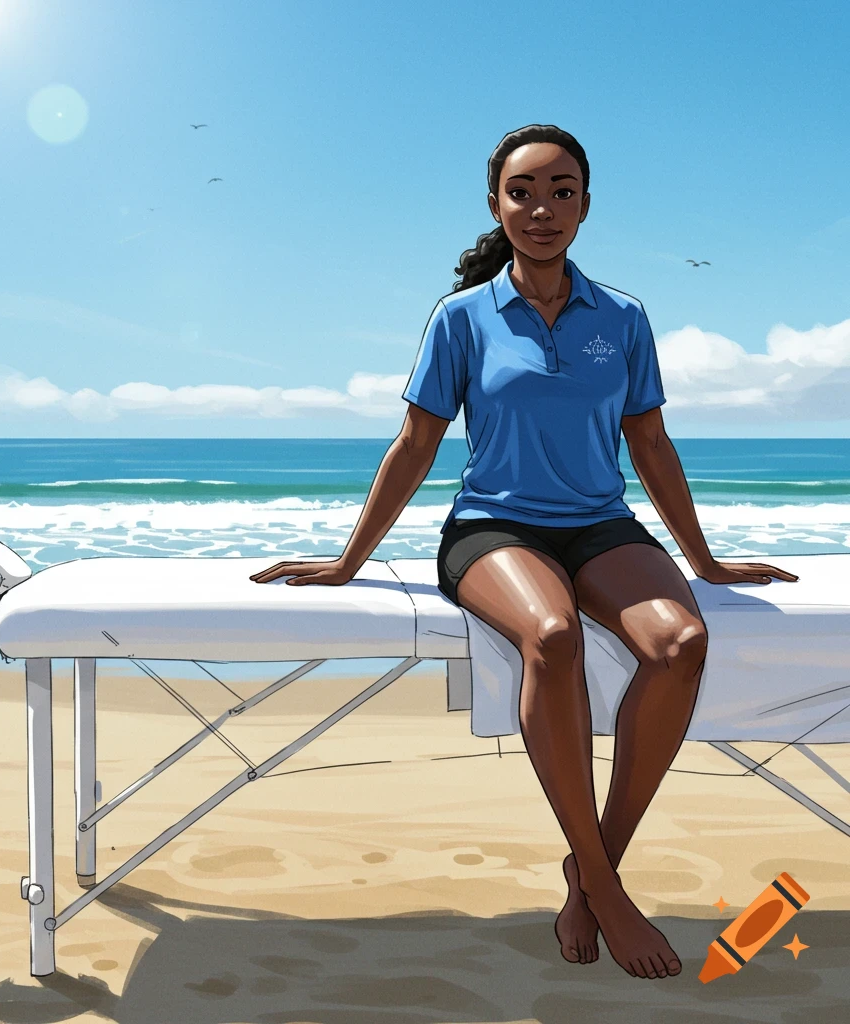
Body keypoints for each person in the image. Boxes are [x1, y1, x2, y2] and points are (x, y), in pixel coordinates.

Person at [249, 124, 798, 981]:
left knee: (681, 641)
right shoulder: (461, 318)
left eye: (561, 192)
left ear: (586, 205)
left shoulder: (623, 318)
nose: (542, 209)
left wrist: (707, 561)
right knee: (552, 634)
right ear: (496, 204)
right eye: (523, 192)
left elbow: (651, 445)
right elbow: (416, 444)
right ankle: (610, 893)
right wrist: (349, 561)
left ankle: (592, 871)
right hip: (493, 529)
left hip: (600, 525)